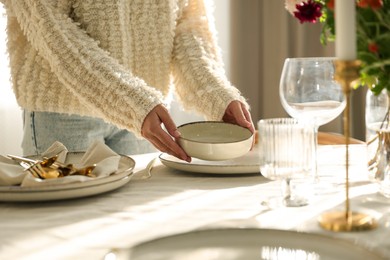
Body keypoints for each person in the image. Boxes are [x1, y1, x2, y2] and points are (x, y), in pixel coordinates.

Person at [0, 0, 254, 162]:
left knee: (138, 227)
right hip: (66, 117)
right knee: (64, 232)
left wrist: (216, 94)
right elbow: (51, 31)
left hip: (145, 116)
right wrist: (132, 103)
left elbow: (188, 23)